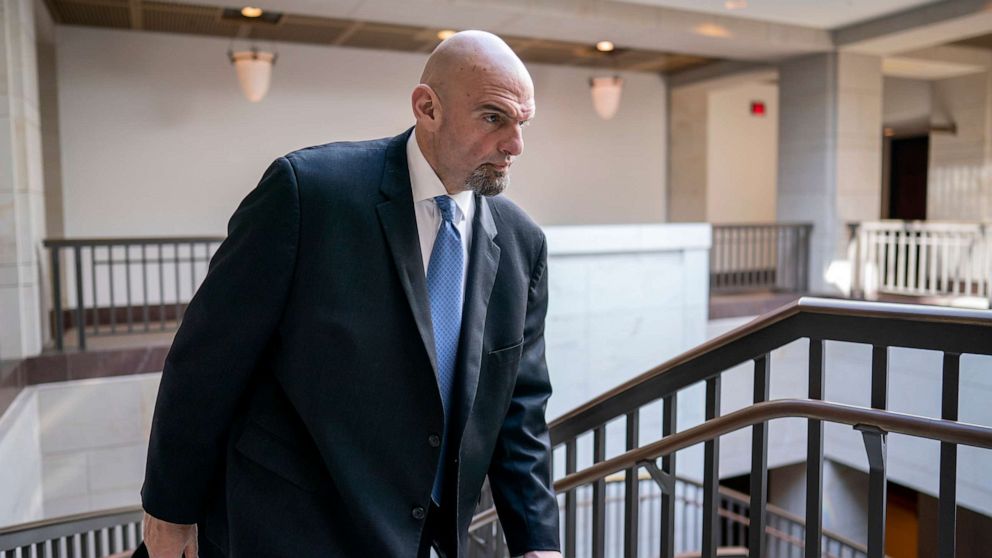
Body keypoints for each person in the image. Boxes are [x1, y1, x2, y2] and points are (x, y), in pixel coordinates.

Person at [140, 30, 562, 558]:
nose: (514, 144)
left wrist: (537, 542)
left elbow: (520, 408)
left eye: (522, 123)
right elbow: (207, 362)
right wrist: (170, 511)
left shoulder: (524, 243)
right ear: (427, 107)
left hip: (422, 541)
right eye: (494, 117)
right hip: (291, 529)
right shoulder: (308, 192)